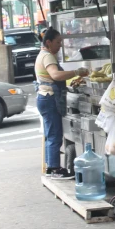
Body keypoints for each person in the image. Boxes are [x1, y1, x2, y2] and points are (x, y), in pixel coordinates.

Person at [35, 28, 89, 178]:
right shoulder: (48, 57)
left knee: (50, 133)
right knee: (54, 135)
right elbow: (56, 75)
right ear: (48, 42)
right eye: (58, 42)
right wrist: (76, 72)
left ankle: (51, 167)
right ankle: (54, 169)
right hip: (49, 97)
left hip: (44, 97)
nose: (60, 45)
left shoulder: (43, 55)